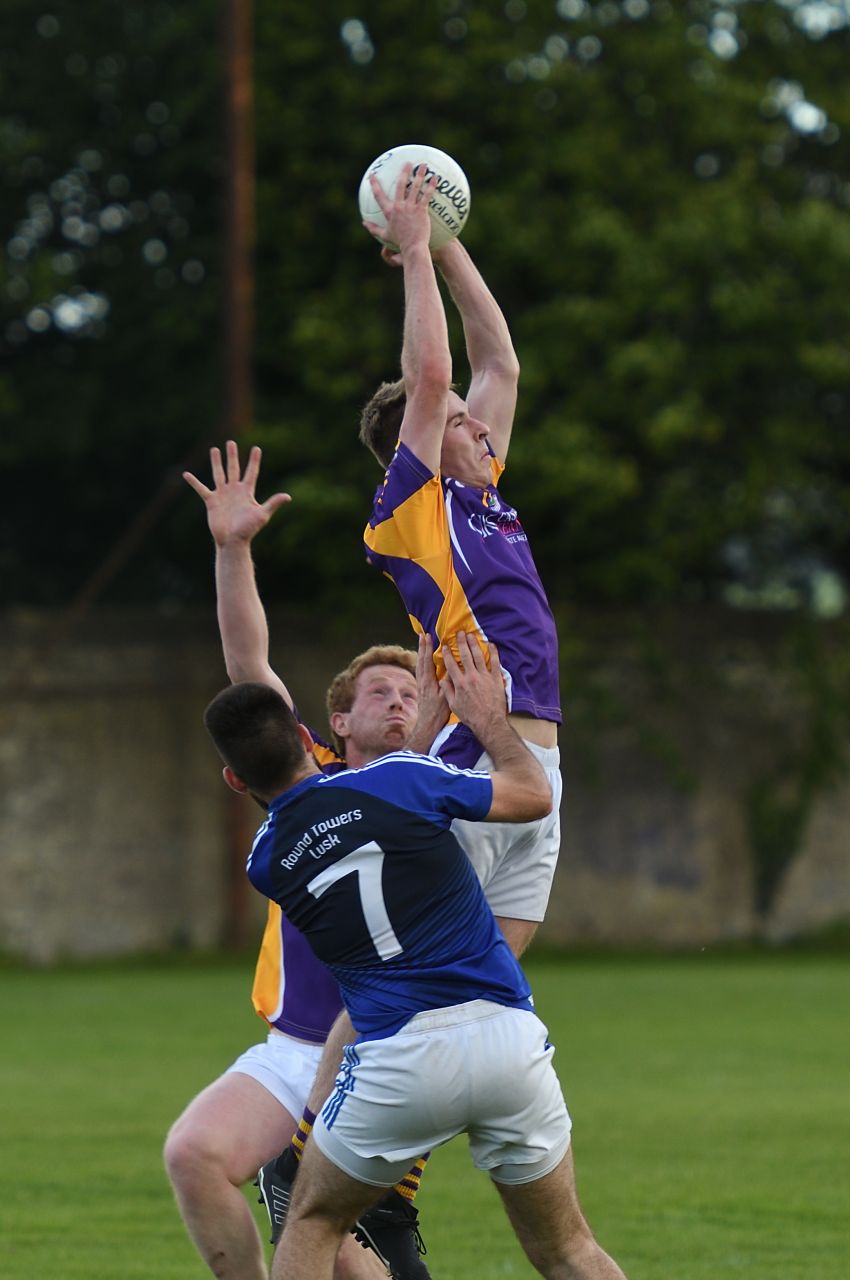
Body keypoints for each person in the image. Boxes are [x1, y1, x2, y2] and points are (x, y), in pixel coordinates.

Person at [202, 634, 628, 1280]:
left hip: (399, 1058)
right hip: (506, 1040)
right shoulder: (402, 779)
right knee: (568, 1251)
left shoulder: (266, 860)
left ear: (236, 779)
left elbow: (349, 818)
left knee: (312, 1218)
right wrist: (484, 720)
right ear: (306, 738)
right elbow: (532, 796)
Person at [166, 441, 438, 1280]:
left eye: (411, 691)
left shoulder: (435, 788)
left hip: (382, 1048)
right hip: (294, 1045)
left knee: (335, 1247)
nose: (399, 702)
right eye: (379, 695)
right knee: (196, 1153)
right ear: (337, 725)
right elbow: (248, 667)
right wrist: (232, 549)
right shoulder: (305, 778)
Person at [360, 162, 563, 959]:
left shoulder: (483, 497)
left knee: (497, 984)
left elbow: (498, 364)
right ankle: (327, 1089)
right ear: (415, 447)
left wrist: (445, 245)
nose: (480, 428)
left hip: (541, 759)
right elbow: (436, 373)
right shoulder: (415, 510)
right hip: (482, 751)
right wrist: (412, 253)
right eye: (456, 423)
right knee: (416, 974)